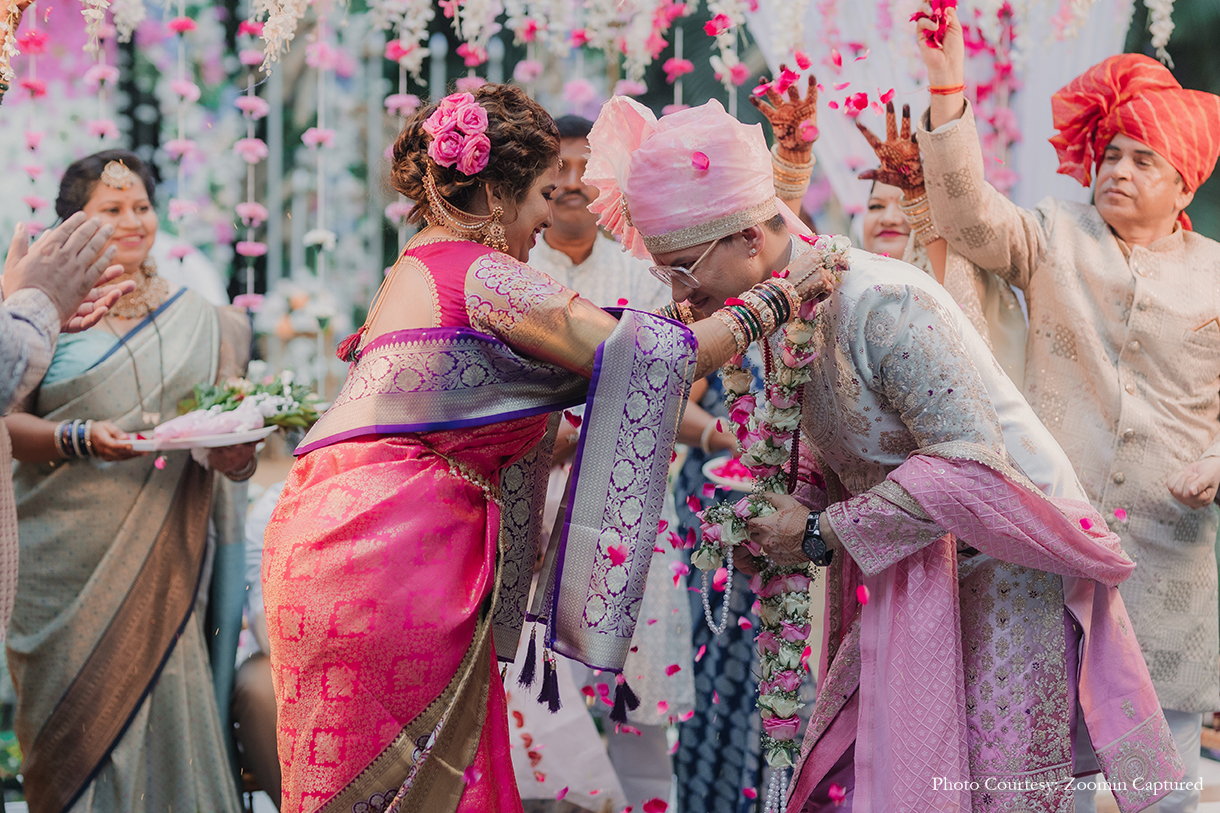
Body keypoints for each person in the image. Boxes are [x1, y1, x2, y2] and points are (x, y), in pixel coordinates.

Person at [587, 92, 1183, 812]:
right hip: (911, 561)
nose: (681, 297)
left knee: (988, 785)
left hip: (1004, 566)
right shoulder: (778, 310)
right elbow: (833, 452)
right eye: (667, 276)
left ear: (749, 236)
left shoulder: (880, 300)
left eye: (683, 268)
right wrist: (783, 521)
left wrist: (820, 531)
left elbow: (968, 456)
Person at [260, 83, 834, 813]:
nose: (542, 216)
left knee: (366, 778)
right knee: (420, 781)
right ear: (496, 194)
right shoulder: (484, 272)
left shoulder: (412, 268)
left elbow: (529, 396)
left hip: (328, 542)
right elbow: (652, 360)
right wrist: (775, 299)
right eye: (539, 193)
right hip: (394, 558)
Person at [913, 6, 1220, 809]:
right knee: (1059, 769)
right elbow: (966, 215)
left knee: (1166, 779)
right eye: (1109, 154)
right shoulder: (1055, 235)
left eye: (1142, 160)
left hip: (1171, 554)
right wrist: (948, 86)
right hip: (1059, 542)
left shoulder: (1217, 274)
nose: (1116, 169)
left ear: (1186, 182)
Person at [4, 150, 256, 813]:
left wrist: (238, 457)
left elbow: (230, 428)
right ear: (72, 225)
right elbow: (4, 424)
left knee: (167, 709)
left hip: (166, 555)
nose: (132, 221)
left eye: (140, 206)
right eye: (110, 209)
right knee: (71, 732)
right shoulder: (38, 314)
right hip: (59, 562)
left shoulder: (206, 318)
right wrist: (78, 436)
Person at [855, 102, 1027, 386]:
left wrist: (921, 205)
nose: (888, 218)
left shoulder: (963, 280)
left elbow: (970, 349)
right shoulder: (844, 288)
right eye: (875, 206)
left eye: (906, 204)